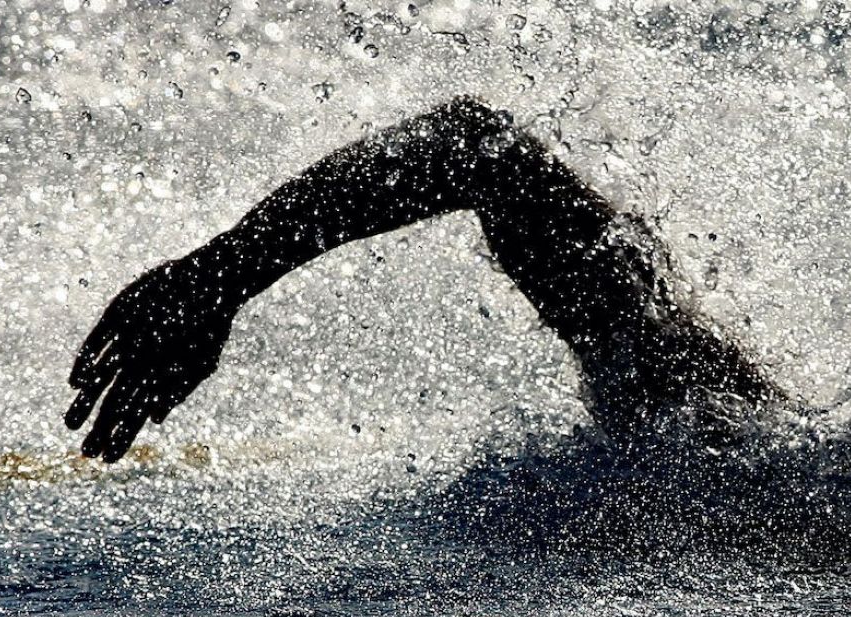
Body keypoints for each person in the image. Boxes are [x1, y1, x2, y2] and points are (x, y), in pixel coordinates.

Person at [66, 96, 783, 462]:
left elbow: (477, 146)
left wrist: (217, 277)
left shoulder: (735, 459)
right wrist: (216, 277)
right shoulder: (722, 438)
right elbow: (478, 143)